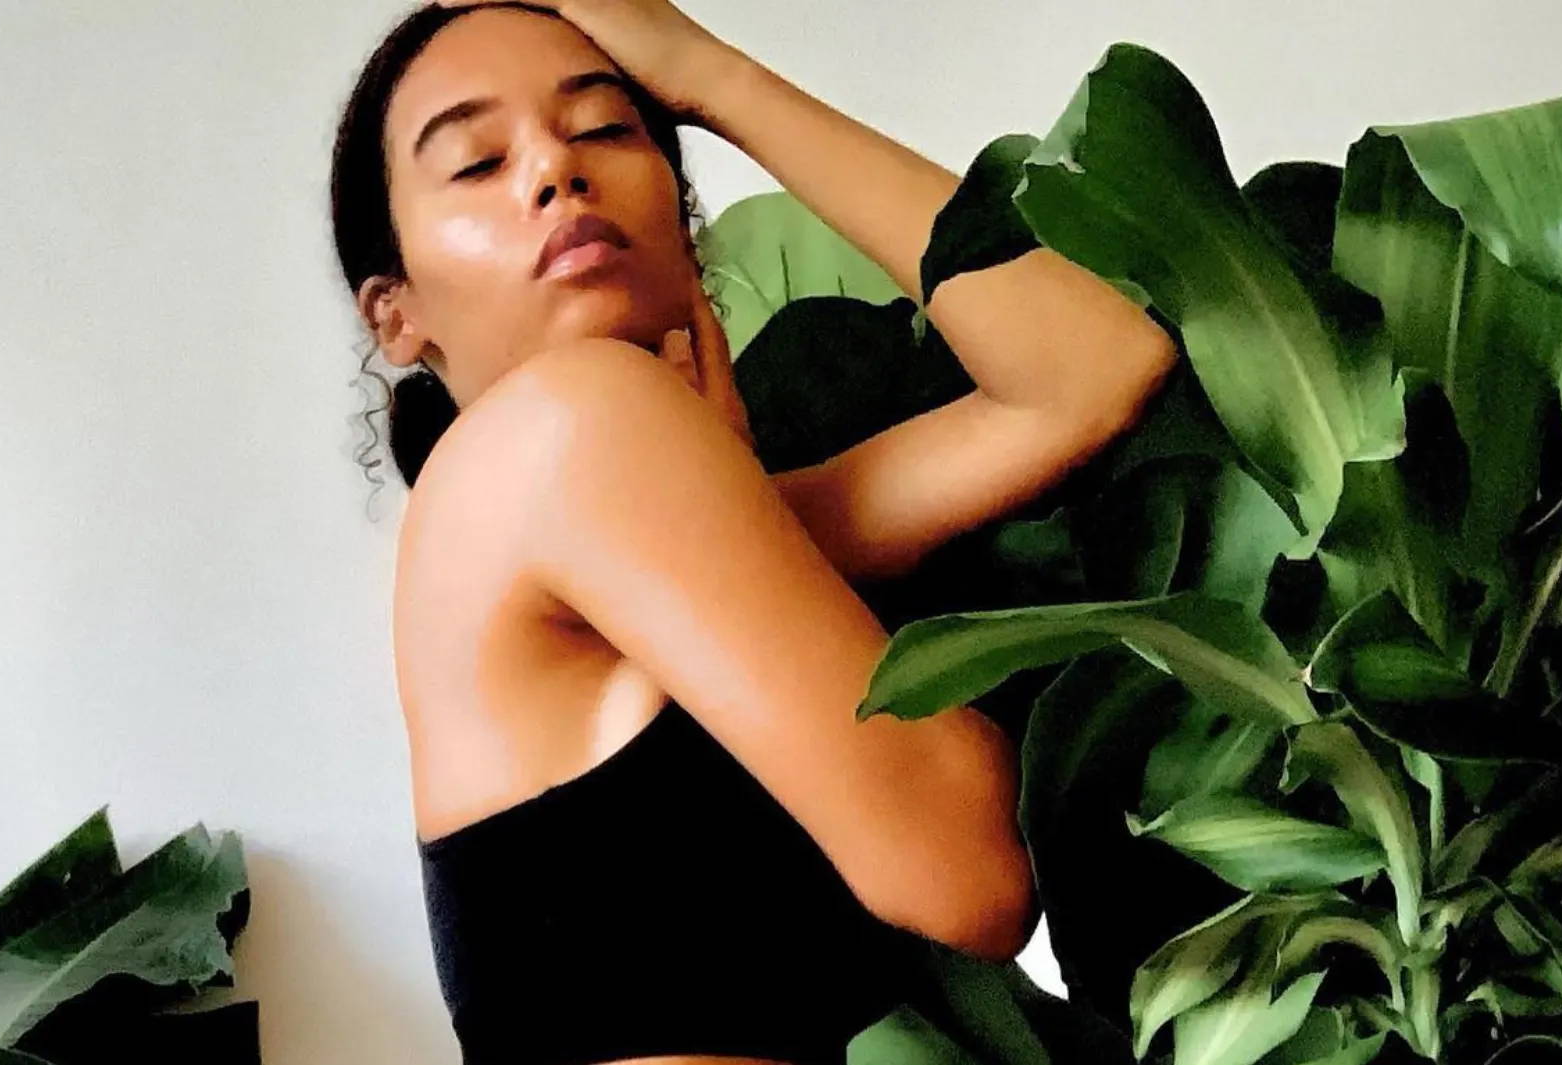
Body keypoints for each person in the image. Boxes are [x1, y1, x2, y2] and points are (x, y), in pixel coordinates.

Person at [326, 3, 1179, 1062]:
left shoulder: (666, 518)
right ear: (396, 315)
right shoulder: (564, 425)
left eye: (604, 129)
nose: (553, 167)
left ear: (679, 221)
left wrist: (709, 75)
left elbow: (1097, 366)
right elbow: (970, 873)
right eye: (476, 161)